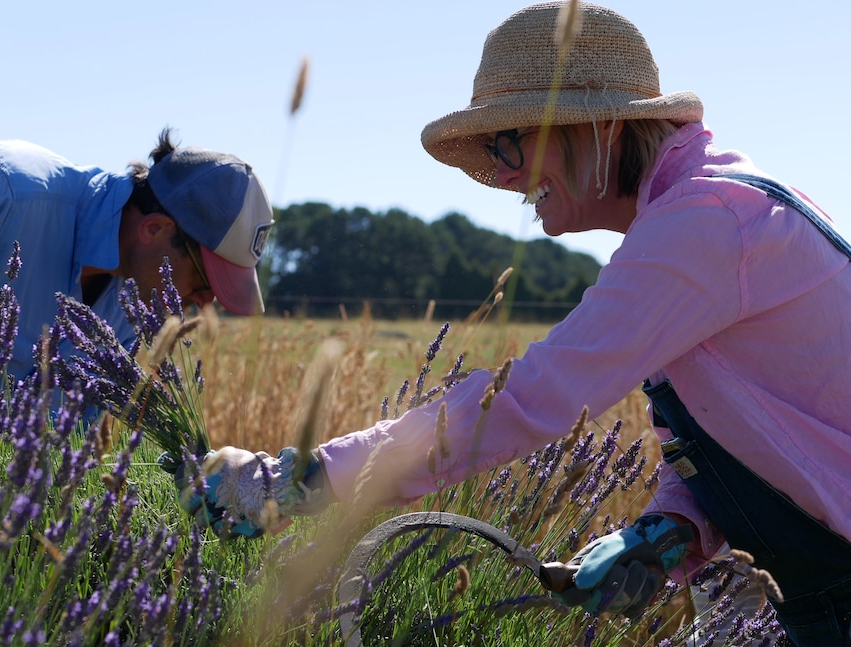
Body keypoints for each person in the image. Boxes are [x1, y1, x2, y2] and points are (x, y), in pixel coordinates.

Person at [175, 3, 851, 644]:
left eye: (506, 144)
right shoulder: (700, 216)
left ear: (591, 124)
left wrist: (299, 480)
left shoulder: (705, 223)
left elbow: (527, 396)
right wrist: (667, 529)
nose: (502, 178)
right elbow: (719, 433)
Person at [0, 129, 274, 382]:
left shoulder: (132, 306)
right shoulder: (9, 192)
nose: (203, 303)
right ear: (154, 229)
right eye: (203, 282)